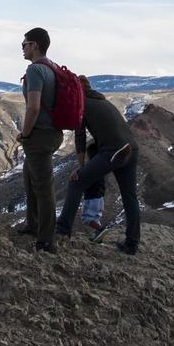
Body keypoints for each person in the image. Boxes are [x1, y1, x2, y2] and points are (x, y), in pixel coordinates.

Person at [56, 76, 140, 255]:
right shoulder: (103, 101)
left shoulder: (82, 104)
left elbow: (79, 137)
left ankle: (62, 230)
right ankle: (132, 244)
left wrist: (80, 166)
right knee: (129, 197)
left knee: (77, 182)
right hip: (131, 148)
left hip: (114, 150)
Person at [14, 27, 64, 252]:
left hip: (40, 135)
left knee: (43, 188)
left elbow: (33, 107)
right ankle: (33, 224)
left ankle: (46, 240)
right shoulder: (52, 67)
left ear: (34, 45)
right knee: (29, 176)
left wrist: (24, 134)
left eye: (24, 44)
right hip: (52, 133)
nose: (22, 48)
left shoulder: (35, 70)